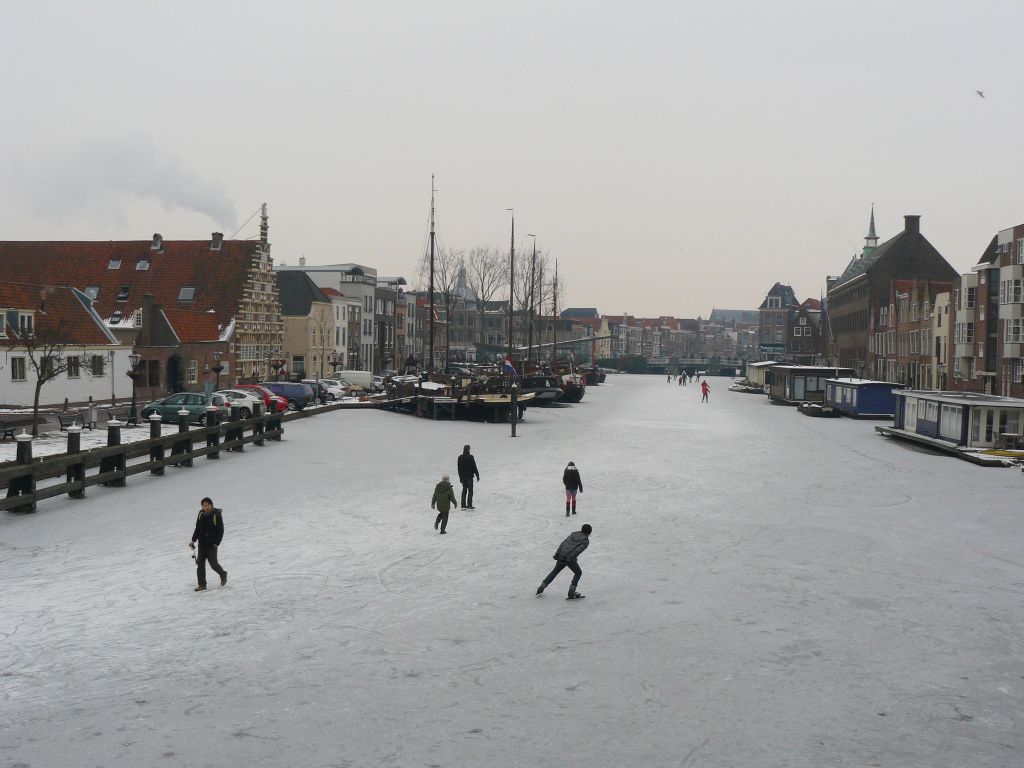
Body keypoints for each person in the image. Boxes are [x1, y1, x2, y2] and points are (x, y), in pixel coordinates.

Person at [536, 524, 592, 599]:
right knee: (578, 573)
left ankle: (541, 587)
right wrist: (572, 558)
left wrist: (557, 554)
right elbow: (577, 551)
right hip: (569, 559)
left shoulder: (573, 534)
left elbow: (563, 543)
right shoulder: (585, 541)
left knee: (554, 572)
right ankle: (571, 592)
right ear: (589, 532)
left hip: (561, 556)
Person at [189, 497, 226, 592]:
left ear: (211, 505)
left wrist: (216, 543)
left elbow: (220, 531)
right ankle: (202, 585)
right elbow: (198, 528)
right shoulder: (201, 514)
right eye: (203, 505)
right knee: (200, 564)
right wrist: (193, 540)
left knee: (213, 564)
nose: (205, 507)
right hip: (202, 544)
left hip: (212, 545)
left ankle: (223, 574)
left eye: (207, 505)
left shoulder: (216, 515)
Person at [457, 444, 480, 509]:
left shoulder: (460, 457)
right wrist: (477, 475)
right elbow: (474, 467)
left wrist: (460, 477)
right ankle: (469, 504)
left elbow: (459, 469)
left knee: (464, 490)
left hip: (463, 477)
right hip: (469, 477)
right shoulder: (470, 457)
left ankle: (463, 505)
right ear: (468, 449)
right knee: (470, 490)